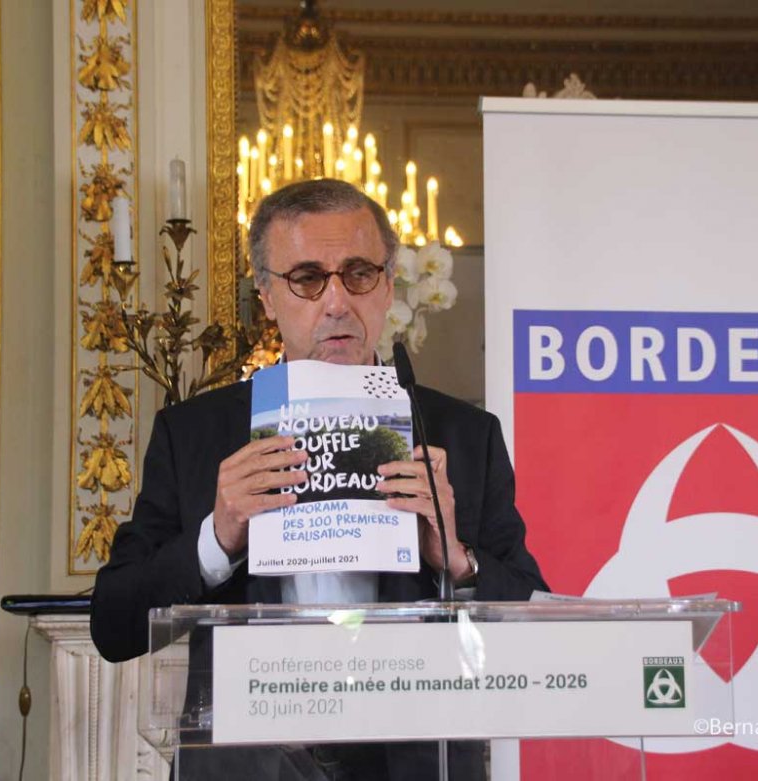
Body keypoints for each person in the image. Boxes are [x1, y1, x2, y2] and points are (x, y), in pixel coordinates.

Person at [91, 178, 547, 779]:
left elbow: (533, 625)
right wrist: (216, 538)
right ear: (266, 294)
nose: (336, 303)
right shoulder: (194, 432)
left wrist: (457, 562)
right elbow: (114, 626)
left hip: (414, 763)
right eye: (307, 278)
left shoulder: (465, 434)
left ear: (388, 285)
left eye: (358, 274)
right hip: (249, 764)